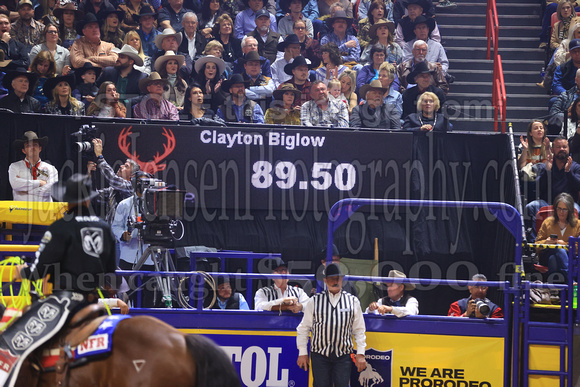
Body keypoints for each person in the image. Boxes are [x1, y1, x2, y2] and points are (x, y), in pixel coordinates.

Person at [0, 173, 117, 387]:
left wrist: (21, 273)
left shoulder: (60, 228)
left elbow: (39, 271)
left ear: (68, 200)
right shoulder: (105, 228)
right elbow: (110, 271)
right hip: (92, 302)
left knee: (10, 342)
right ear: (88, 199)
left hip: (64, 302)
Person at [296, 263, 367, 387]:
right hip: (319, 355)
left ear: (342, 279)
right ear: (325, 280)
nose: (335, 281)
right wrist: (302, 352)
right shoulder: (314, 301)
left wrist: (360, 354)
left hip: (343, 355)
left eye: (337, 278)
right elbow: (303, 328)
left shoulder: (352, 301)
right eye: (331, 278)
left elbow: (359, 329)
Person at [112, 171, 157, 308]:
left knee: (149, 294)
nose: (142, 185)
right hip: (128, 257)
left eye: (146, 182)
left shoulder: (156, 205)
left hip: (150, 257)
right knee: (126, 293)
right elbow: (115, 227)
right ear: (133, 183)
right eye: (140, 181)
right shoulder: (124, 204)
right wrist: (123, 234)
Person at [526, 137, 580, 235]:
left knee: (577, 210)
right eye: (558, 147)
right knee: (531, 206)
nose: (562, 149)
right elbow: (537, 188)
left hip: (569, 205)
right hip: (547, 203)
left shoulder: (575, 167)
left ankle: (572, 243)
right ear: (552, 149)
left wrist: (569, 172)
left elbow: (578, 186)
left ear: (569, 149)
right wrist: (547, 171)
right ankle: (535, 242)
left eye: (564, 147)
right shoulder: (546, 166)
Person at [90, 137, 139, 223]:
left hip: (126, 232)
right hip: (112, 232)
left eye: (126, 166)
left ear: (131, 175)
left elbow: (112, 179)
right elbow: (93, 195)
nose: (121, 166)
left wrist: (100, 157)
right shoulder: (112, 190)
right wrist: (89, 173)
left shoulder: (131, 187)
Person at [535, 192, 580, 281]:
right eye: (559, 208)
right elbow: (536, 245)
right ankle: (570, 279)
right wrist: (546, 242)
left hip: (569, 256)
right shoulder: (548, 222)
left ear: (570, 210)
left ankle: (554, 289)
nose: (561, 212)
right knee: (557, 250)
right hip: (546, 254)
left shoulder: (577, 224)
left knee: (554, 259)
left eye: (564, 209)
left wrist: (565, 245)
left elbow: (578, 248)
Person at [8, 130, 58, 202]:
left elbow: (52, 189)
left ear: (40, 149)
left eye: (35, 145)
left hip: (44, 211)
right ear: (24, 151)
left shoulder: (51, 168)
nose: (32, 147)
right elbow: (15, 185)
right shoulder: (14, 167)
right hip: (22, 210)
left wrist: (28, 190)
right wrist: (40, 183)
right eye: (28, 145)